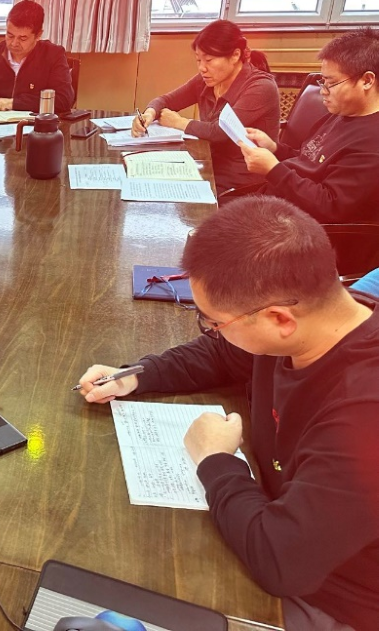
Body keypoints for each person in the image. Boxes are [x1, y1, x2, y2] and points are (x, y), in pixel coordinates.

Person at [77, 196, 379, 631]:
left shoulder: (363, 416)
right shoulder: (316, 321)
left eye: (214, 322)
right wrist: (138, 376)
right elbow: (223, 354)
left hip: (331, 597)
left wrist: (216, 460)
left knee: (117, 583)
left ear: (279, 319)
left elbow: (281, 562)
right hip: (274, 519)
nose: (212, 332)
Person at [240, 28, 379, 224]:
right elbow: (309, 159)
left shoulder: (372, 144)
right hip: (276, 205)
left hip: (297, 228)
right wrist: (274, 148)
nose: (323, 91)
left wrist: (273, 169)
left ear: (367, 80)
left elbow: (330, 206)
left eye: (331, 83)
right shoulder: (341, 114)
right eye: (323, 81)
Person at [132, 20, 280, 192]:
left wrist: (178, 122)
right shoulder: (208, 80)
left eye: (209, 60)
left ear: (235, 55)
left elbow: (219, 132)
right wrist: (149, 113)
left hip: (242, 182)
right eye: (198, 60)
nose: (202, 68)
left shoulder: (261, 87)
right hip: (209, 164)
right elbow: (167, 100)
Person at [0, 0, 74, 116]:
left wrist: (14, 103)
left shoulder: (53, 55)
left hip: (37, 127)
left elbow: (63, 100)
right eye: (10, 35)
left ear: (38, 35)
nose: (14, 43)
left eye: (22, 38)